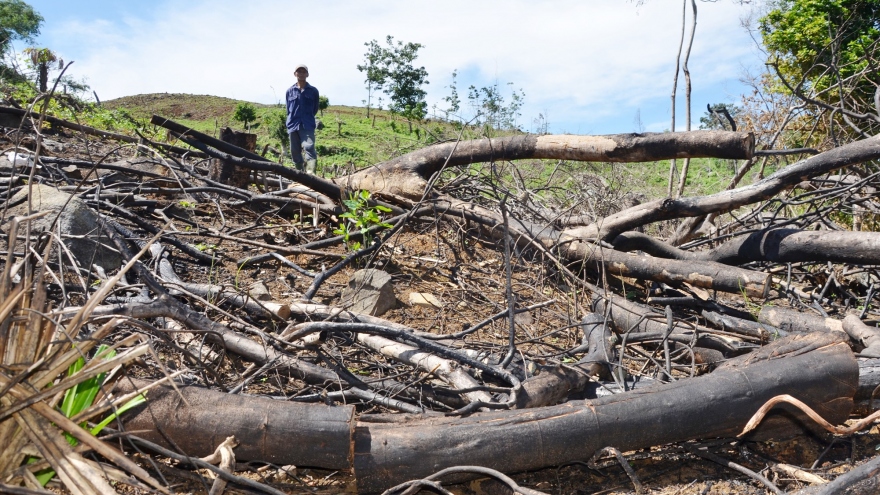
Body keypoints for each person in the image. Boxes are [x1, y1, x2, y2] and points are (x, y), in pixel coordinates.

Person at [285, 63, 320, 174]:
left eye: (303, 72)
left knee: (309, 147)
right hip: (293, 124)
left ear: (307, 74)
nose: (301, 74)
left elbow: (315, 108)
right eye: (299, 71)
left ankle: (311, 173)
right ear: (295, 74)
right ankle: (299, 174)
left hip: (307, 124)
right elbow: (288, 109)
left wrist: (307, 117)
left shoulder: (313, 91)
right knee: (295, 151)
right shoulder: (289, 91)